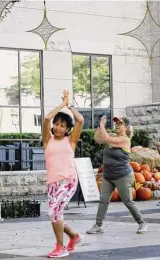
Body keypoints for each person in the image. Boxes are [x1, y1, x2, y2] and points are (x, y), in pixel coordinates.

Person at [86, 116, 148, 235]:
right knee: (103, 200)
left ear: (127, 127)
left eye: (120, 123)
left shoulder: (125, 140)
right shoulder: (112, 137)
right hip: (108, 175)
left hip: (123, 175)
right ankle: (98, 225)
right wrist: (100, 126)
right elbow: (97, 139)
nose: (117, 125)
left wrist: (103, 127)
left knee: (127, 201)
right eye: (116, 123)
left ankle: (142, 223)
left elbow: (108, 140)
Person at [43, 90, 84, 258]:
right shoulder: (47, 140)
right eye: (57, 124)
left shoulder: (71, 141)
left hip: (68, 180)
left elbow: (80, 120)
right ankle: (75, 236)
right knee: (54, 213)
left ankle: (60, 248)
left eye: (62, 125)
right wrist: (60, 105)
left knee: (55, 212)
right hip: (52, 183)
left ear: (68, 129)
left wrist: (69, 105)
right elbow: (46, 119)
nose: (58, 127)